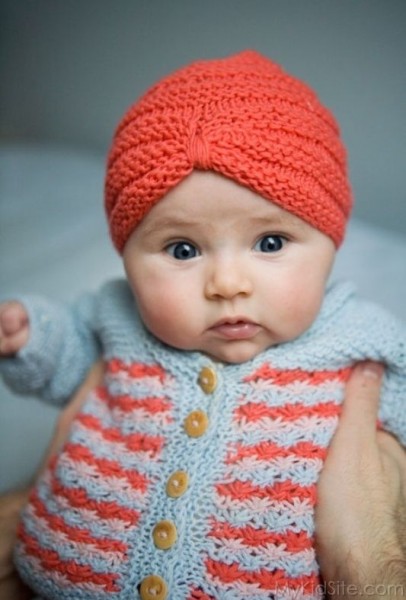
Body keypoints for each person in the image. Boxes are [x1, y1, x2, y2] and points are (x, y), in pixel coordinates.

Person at [0, 50, 405, 599]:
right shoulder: (117, 316)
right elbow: (69, 354)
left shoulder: (360, 337)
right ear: (126, 256)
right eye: (183, 249)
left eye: (269, 243)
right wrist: (29, 334)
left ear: (331, 245)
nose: (227, 283)